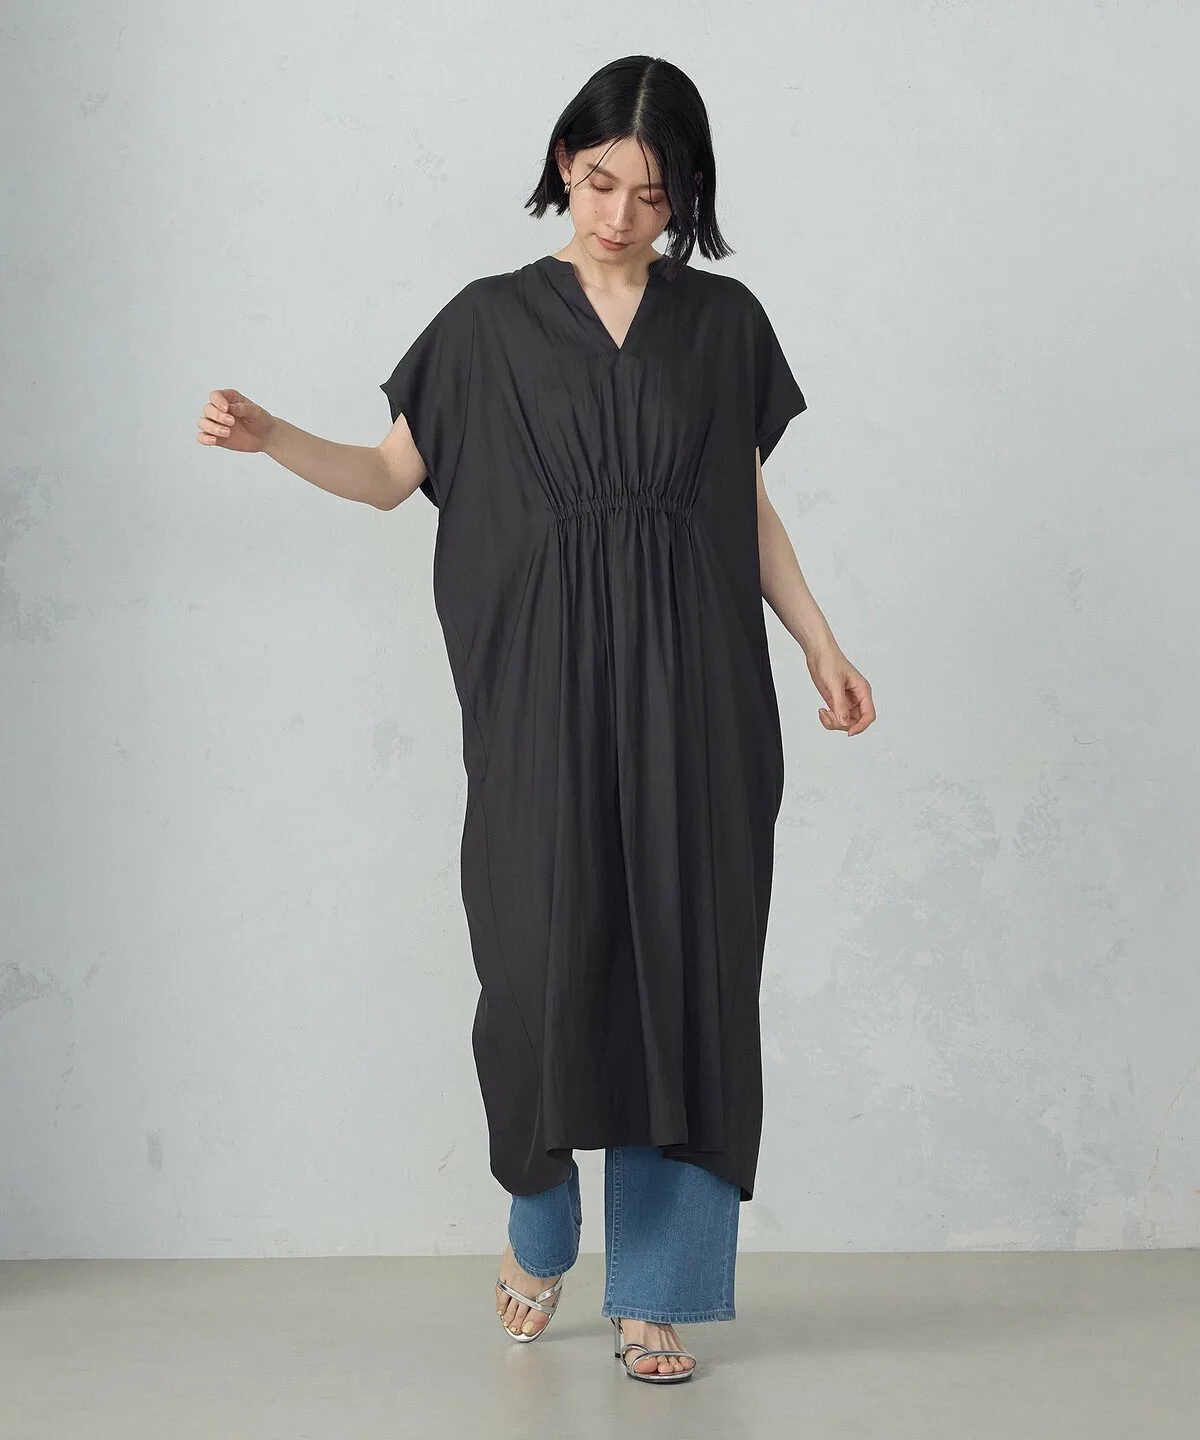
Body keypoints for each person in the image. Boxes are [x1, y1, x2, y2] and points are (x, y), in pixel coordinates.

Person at [195, 54, 875, 1384]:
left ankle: (656, 1294)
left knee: (684, 975)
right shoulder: (484, 324)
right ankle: (540, 1215)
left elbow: (741, 505)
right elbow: (388, 477)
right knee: (539, 967)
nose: (618, 214)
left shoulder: (724, 325)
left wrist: (820, 643)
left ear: (688, 197)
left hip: (698, 698)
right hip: (541, 699)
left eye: (651, 194)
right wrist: (275, 435)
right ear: (565, 162)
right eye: (599, 180)